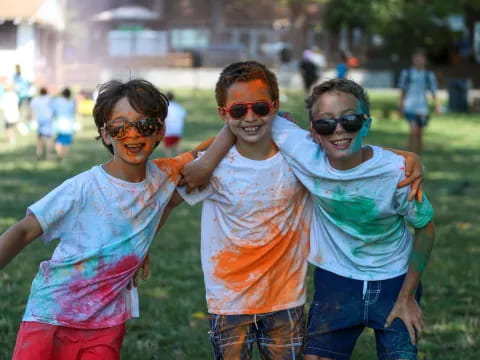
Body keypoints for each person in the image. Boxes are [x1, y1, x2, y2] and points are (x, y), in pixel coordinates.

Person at [176, 62, 424, 359]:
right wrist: (205, 159)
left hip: (293, 299)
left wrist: (407, 157)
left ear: (275, 107)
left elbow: (348, 147)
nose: (251, 116)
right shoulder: (233, 161)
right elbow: (168, 196)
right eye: (239, 111)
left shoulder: (301, 155)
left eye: (261, 108)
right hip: (236, 301)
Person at [0, 79, 197, 360]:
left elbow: (207, 151)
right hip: (51, 315)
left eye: (145, 125)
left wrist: (273, 124)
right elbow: (23, 230)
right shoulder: (81, 188)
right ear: (106, 134)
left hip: (107, 323)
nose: (132, 134)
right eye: (120, 126)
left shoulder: (164, 176)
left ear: (160, 131)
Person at [269, 78, 435, 360]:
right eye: (326, 124)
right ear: (313, 132)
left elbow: (426, 229)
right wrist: (202, 161)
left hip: (394, 281)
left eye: (350, 120)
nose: (338, 130)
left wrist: (407, 296)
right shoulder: (305, 153)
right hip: (337, 280)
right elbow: (248, 118)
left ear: (366, 124)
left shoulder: (399, 174)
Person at [398, 48, 441, 154]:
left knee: (419, 135)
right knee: (413, 132)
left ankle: (418, 158)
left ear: (425, 60)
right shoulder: (406, 73)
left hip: (423, 108)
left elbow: (433, 92)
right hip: (410, 107)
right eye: (417, 57)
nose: (419, 60)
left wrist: (437, 106)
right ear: (413, 59)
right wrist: (401, 106)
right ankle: (409, 157)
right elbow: (403, 91)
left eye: (421, 58)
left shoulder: (428, 75)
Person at [29, 87, 54, 160]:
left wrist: (31, 118)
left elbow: (31, 109)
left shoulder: (35, 100)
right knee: (48, 138)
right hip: (48, 120)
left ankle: (38, 153)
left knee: (39, 138)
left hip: (39, 120)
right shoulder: (50, 99)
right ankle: (48, 155)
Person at [52, 87, 76, 162]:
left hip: (59, 124)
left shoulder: (57, 101)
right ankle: (63, 157)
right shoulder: (71, 102)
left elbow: (53, 108)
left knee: (58, 141)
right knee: (66, 143)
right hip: (69, 125)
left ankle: (59, 154)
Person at [163, 91, 187, 157]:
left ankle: (169, 161)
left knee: (167, 147)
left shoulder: (165, 107)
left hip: (168, 130)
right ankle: (180, 159)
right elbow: (184, 115)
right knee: (177, 145)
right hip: (178, 129)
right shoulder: (178, 106)